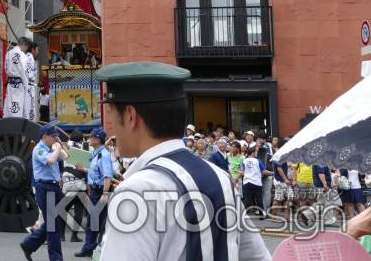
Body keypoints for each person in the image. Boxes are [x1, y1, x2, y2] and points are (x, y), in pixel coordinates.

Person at [95, 61, 270, 261]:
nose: (112, 127)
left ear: (130, 116)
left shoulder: (137, 189)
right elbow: (257, 256)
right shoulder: (220, 177)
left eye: (112, 116)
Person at [20, 125, 68, 261]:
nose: (55, 138)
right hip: (45, 188)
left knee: (54, 223)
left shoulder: (50, 148)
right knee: (53, 226)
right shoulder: (39, 149)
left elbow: (66, 156)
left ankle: (28, 244)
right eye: (53, 136)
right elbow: (51, 160)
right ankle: (56, 258)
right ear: (44, 136)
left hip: (55, 188)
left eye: (56, 136)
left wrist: (59, 145)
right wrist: (58, 147)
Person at [77, 128, 114, 257]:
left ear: (98, 139)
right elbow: (97, 173)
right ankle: (92, 249)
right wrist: (84, 170)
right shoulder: (96, 153)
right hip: (95, 191)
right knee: (94, 221)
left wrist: (104, 193)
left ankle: (92, 249)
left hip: (99, 192)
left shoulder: (103, 155)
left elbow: (107, 176)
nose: (89, 139)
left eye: (92, 137)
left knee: (96, 222)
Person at [3, 37, 30, 119]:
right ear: (25, 45)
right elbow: (24, 72)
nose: (26, 50)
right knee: (19, 105)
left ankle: (8, 122)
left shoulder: (9, 53)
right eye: (26, 48)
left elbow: (6, 68)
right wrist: (27, 85)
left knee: (10, 104)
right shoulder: (23, 56)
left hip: (10, 84)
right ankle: (17, 125)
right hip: (19, 85)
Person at [241, 146, 269, 218]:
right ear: (253, 153)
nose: (257, 153)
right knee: (259, 199)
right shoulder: (258, 161)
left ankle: (243, 214)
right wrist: (272, 173)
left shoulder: (244, 160)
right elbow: (263, 171)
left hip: (246, 182)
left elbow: (242, 172)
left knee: (247, 199)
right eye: (256, 152)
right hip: (256, 182)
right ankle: (261, 214)